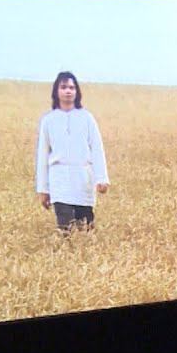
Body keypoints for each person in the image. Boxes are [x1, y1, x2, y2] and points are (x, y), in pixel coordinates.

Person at [35, 71, 109, 233]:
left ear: (77, 92)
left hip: (83, 179)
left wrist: (102, 178)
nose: (68, 91)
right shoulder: (48, 120)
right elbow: (42, 156)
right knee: (65, 229)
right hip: (59, 181)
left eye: (71, 87)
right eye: (63, 87)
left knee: (86, 228)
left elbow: (97, 148)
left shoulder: (87, 118)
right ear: (56, 91)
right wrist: (43, 189)